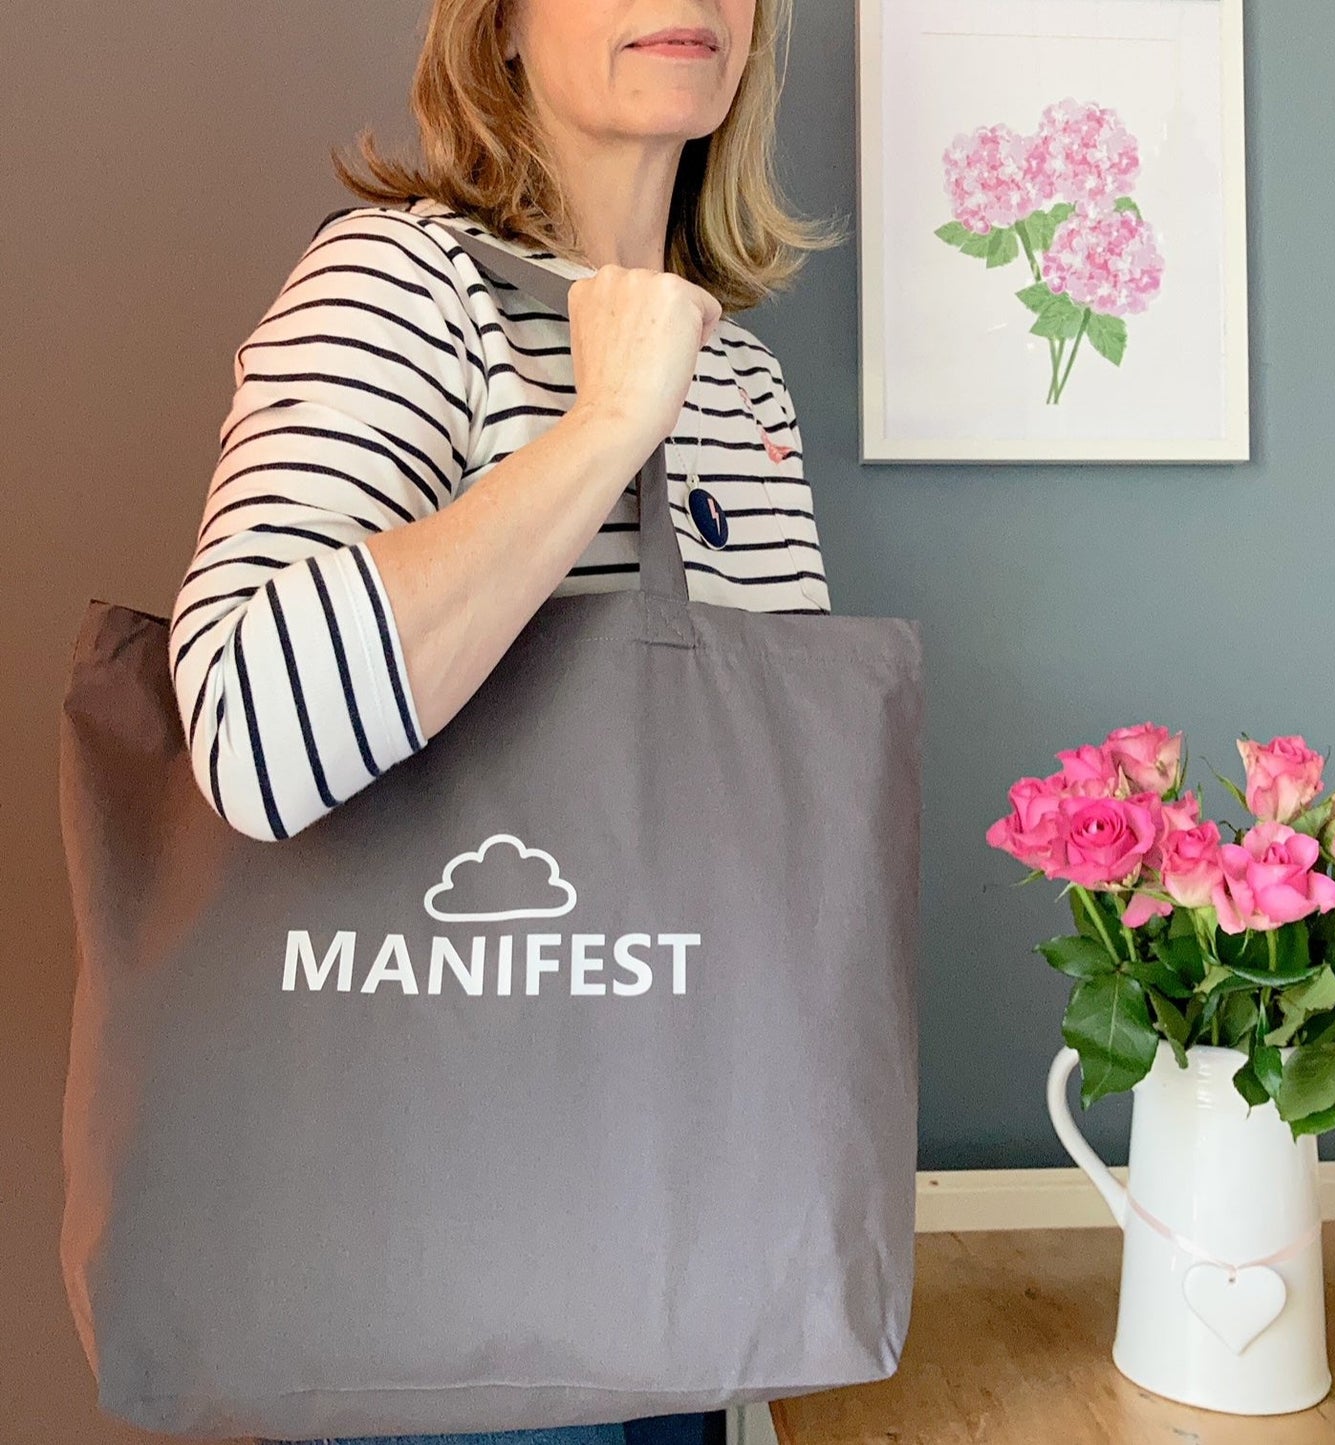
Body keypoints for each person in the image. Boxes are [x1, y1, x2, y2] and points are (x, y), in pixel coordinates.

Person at [167, 0, 845, 1440]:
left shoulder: (740, 381)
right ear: (501, 27)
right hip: (448, 1263)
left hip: (685, 1232)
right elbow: (247, 735)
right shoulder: (397, 287)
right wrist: (605, 425)